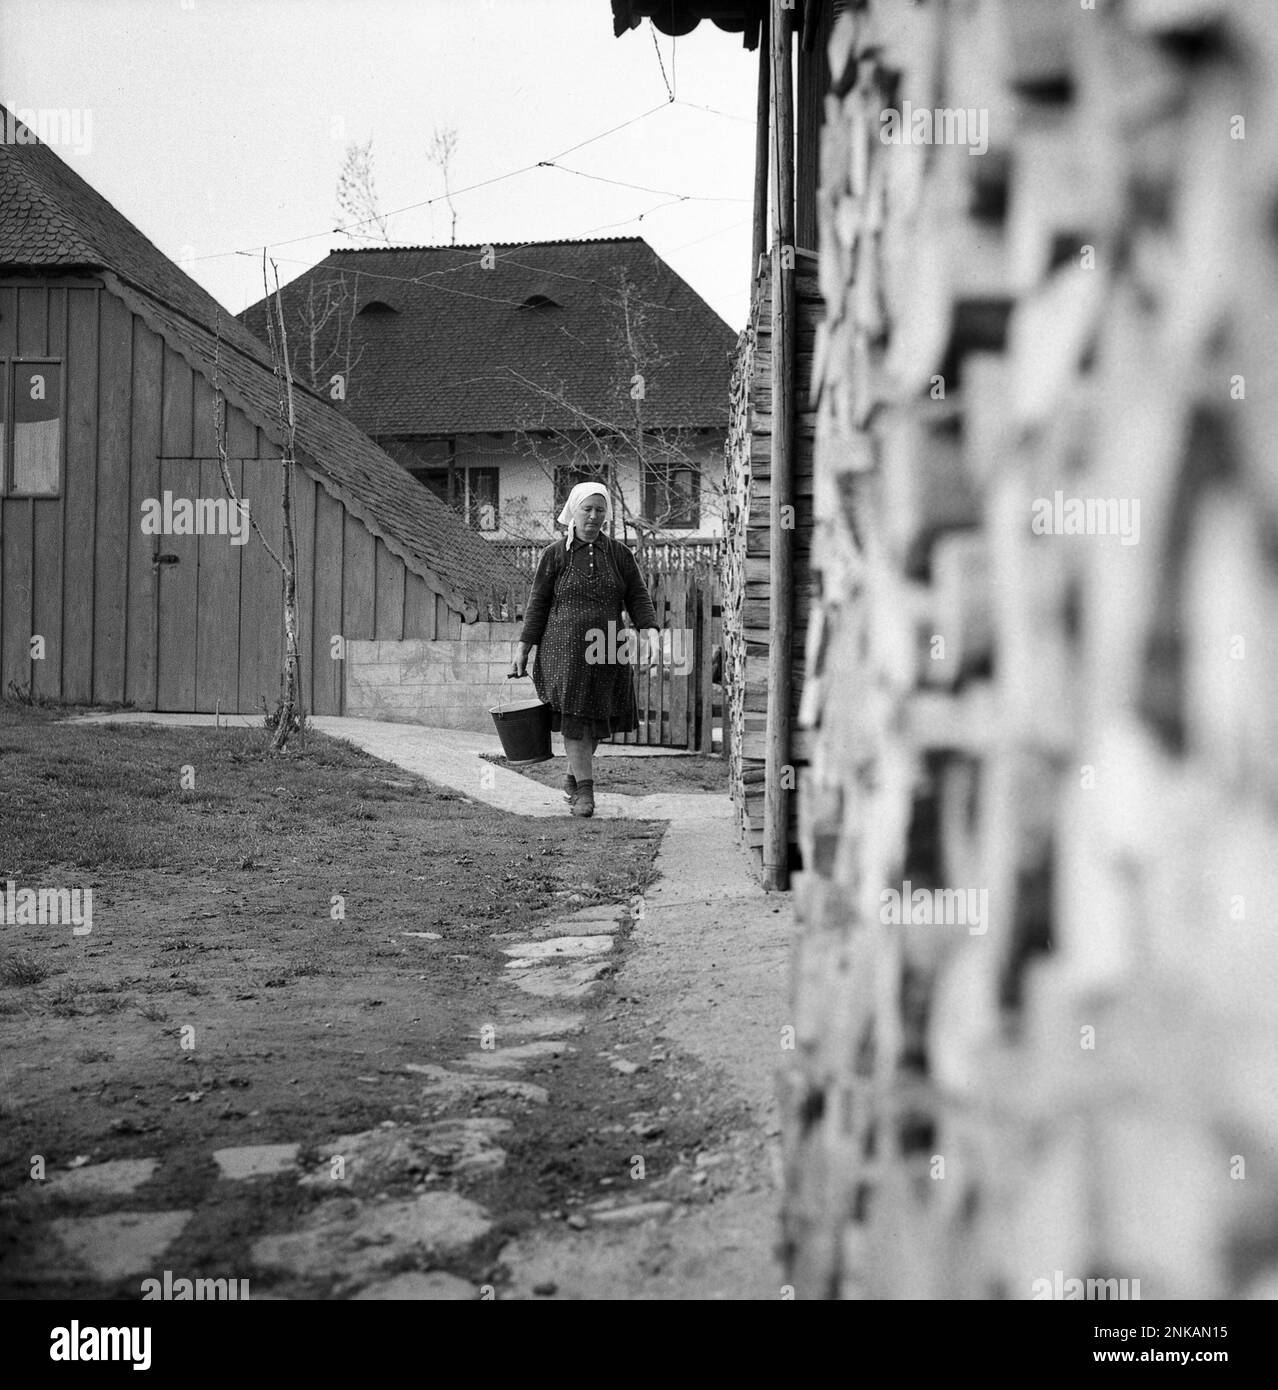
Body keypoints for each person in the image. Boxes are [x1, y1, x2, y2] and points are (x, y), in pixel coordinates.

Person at [510, 483, 660, 818]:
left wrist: (649, 631)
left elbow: (637, 595)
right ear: (573, 512)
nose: (593, 516)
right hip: (563, 651)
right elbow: (537, 605)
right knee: (576, 721)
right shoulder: (554, 555)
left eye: (600, 510)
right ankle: (585, 795)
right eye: (587, 509)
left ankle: (573, 777)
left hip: (607, 649)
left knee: (598, 720)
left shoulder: (619, 554)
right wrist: (523, 648)